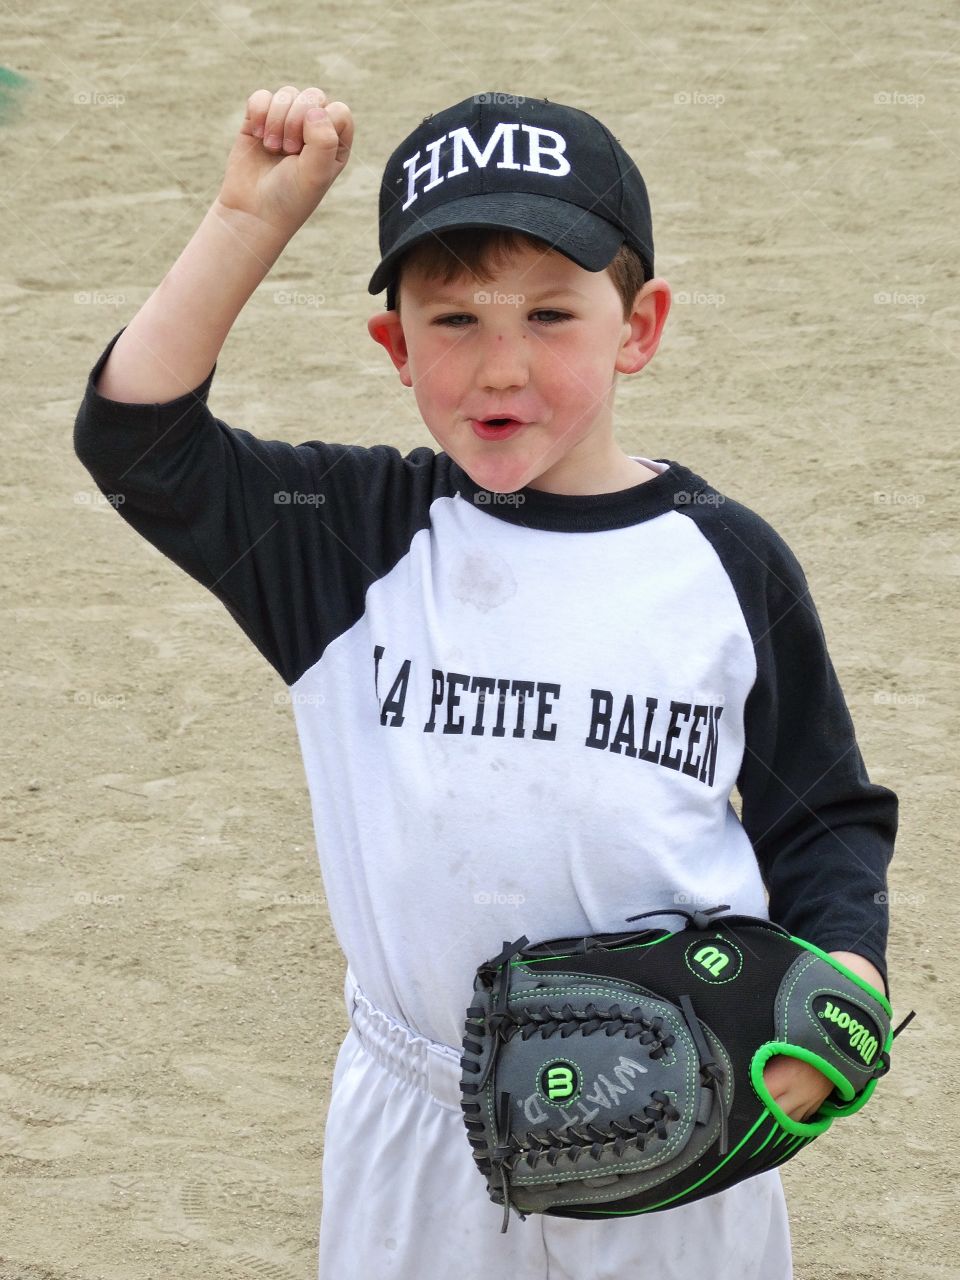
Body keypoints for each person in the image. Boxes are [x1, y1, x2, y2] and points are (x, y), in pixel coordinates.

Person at [73, 87, 898, 1279]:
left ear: (642, 324)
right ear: (394, 346)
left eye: (554, 314)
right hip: (423, 1123)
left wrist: (842, 992)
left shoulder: (724, 562)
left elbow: (822, 820)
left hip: (680, 1106)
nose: (500, 366)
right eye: (453, 320)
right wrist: (249, 218)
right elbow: (137, 440)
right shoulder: (350, 538)